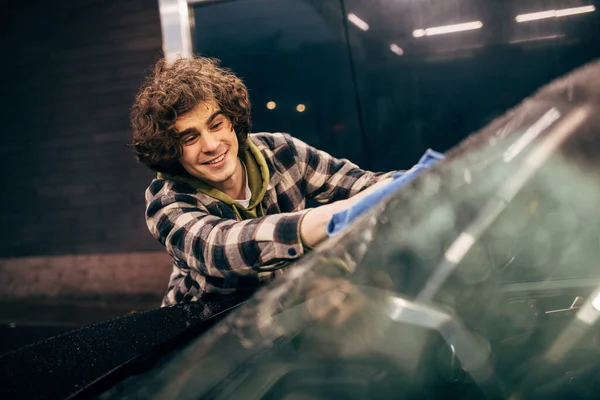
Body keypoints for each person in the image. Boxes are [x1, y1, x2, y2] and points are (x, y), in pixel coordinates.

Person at [130, 57, 397, 307]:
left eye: (216, 125)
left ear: (232, 120)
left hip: (282, 315)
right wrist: (326, 221)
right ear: (169, 149)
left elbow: (364, 184)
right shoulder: (167, 202)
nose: (211, 145)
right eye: (189, 138)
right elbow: (220, 248)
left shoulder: (281, 152)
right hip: (201, 333)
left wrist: (418, 180)